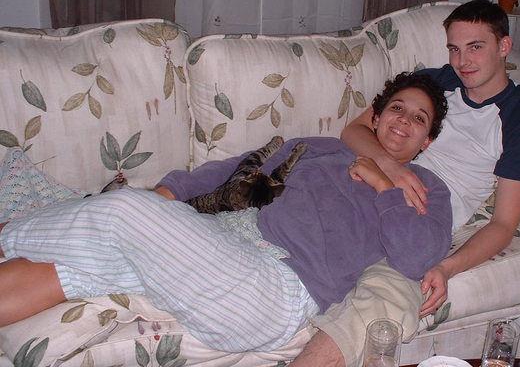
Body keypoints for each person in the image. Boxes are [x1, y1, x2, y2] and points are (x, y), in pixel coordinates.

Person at [0, 72, 452, 353]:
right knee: (65, 267)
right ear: (375, 117)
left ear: (427, 141)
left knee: (123, 211)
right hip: (228, 247)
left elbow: (414, 258)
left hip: (277, 293)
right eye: (397, 108)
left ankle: (6, 231)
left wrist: (383, 183)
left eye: (419, 118)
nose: (404, 120)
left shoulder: (429, 190)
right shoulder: (321, 148)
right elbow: (236, 170)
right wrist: (168, 194)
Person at [291, 0, 520, 367]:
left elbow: (503, 224)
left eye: (475, 47)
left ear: (504, 46)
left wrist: (447, 267)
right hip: (361, 190)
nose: (462, 62)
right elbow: (354, 130)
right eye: (454, 49)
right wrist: (391, 168)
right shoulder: (436, 83)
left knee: (386, 304)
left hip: (419, 221)